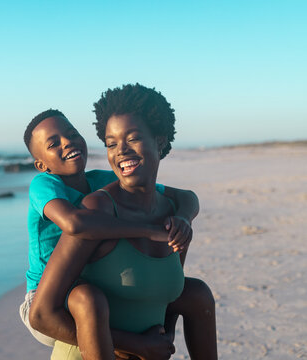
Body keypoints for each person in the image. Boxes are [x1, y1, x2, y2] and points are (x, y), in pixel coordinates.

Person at [29, 84, 218, 360]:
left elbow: (164, 296)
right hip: (80, 349)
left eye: (133, 138)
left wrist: (183, 217)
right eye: (112, 144)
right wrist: (136, 344)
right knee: (87, 299)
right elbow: (42, 314)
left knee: (197, 292)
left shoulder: (171, 215)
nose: (121, 151)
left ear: (160, 139)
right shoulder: (91, 210)